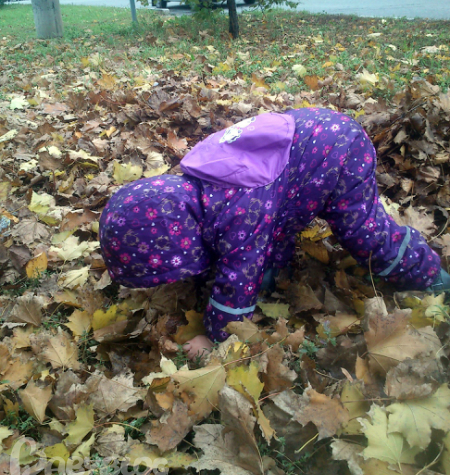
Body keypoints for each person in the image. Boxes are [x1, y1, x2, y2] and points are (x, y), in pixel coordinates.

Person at [99, 107, 450, 360]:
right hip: (303, 140)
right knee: (267, 217)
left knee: (365, 233)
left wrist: (217, 337)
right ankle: (272, 271)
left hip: (337, 151)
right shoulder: (198, 185)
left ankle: (429, 276)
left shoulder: (236, 214)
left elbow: (237, 280)